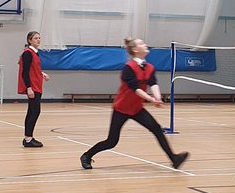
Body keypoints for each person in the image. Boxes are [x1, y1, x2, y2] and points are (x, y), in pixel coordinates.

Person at [79, 36, 189, 171]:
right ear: (136, 50)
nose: (146, 44)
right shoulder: (128, 68)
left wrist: (158, 98)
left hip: (137, 109)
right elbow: (136, 89)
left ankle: (174, 159)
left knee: (157, 129)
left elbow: (153, 83)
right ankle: (86, 156)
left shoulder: (150, 67)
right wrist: (151, 100)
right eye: (142, 43)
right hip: (121, 109)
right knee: (112, 141)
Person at [18, 30, 50, 147]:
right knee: (35, 111)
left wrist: (41, 73)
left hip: (37, 84)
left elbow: (33, 68)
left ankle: (28, 138)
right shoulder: (28, 53)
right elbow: (25, 72)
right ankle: (28, 139)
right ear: (29, 40)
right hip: (33, 86)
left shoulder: (35, 53)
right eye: (36, 38)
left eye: (39, 38)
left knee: (31, 111)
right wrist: (29, 88)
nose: (38, 40)